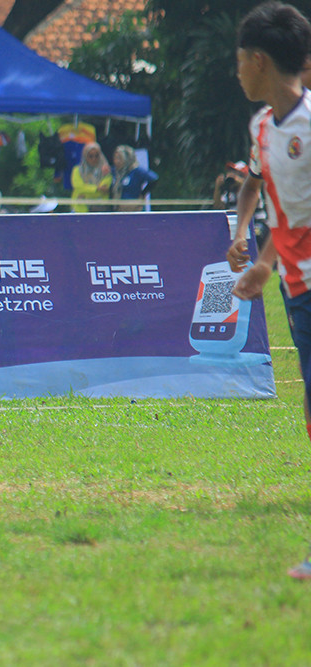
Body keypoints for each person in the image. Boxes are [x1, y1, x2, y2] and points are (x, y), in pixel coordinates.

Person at [225, 1, 311, 580]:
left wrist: (265, 261)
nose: (236, 73)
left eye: (239, 61)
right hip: (297, 289)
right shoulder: (262, 129)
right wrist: (261, 260)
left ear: (258, 61)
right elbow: (280, 211)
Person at [110, 145, 158, 211]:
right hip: (117, 208)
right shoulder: (114, 171)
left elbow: (154, 178)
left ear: (127, 158)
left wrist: (143, 194)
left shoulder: (136, 170)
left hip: (132, 207)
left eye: (119, 158)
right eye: (115, 158)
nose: (116, 161)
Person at [70, 142, 111, 212]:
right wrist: (96, 189)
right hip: (79, 209)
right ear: (85, 156)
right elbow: (79, 187)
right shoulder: (77, 170)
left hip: (99, 209)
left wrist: (87, 191)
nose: (93, 159)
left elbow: (104, 189)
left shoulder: (105, 170)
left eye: (96, 156)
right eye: (90, 156)